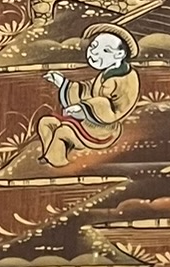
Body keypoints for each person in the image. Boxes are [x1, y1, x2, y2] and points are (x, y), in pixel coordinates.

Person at [34, 24, 141, 167]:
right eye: (93, 46)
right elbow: (88, 88)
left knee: (63, 131)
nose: (94, 53)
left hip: (102, 129)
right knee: (46, 123)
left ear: (120, 55)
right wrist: (63, 83)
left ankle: (58, 163)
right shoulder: (106, 73)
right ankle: (50, 155)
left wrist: (83, 108)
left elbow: (115, 110)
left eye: (105, 50)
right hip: (86, 120)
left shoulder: (127, 79)